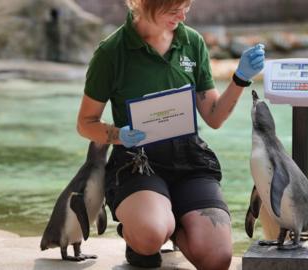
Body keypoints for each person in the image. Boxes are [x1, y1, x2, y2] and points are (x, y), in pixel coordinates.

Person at [76, 0, 265, 269]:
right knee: (150, 234)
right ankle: (145, 232)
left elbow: (213, 117)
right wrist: (118, 134)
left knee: (218, 259)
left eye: (186, 5)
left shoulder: (192, 42)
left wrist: (240, 78)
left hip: (189, 159)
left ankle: (172, 221)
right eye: (174, 6)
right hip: (137, 162)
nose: (183, 13)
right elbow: (85, 123)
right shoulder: (111, 52)